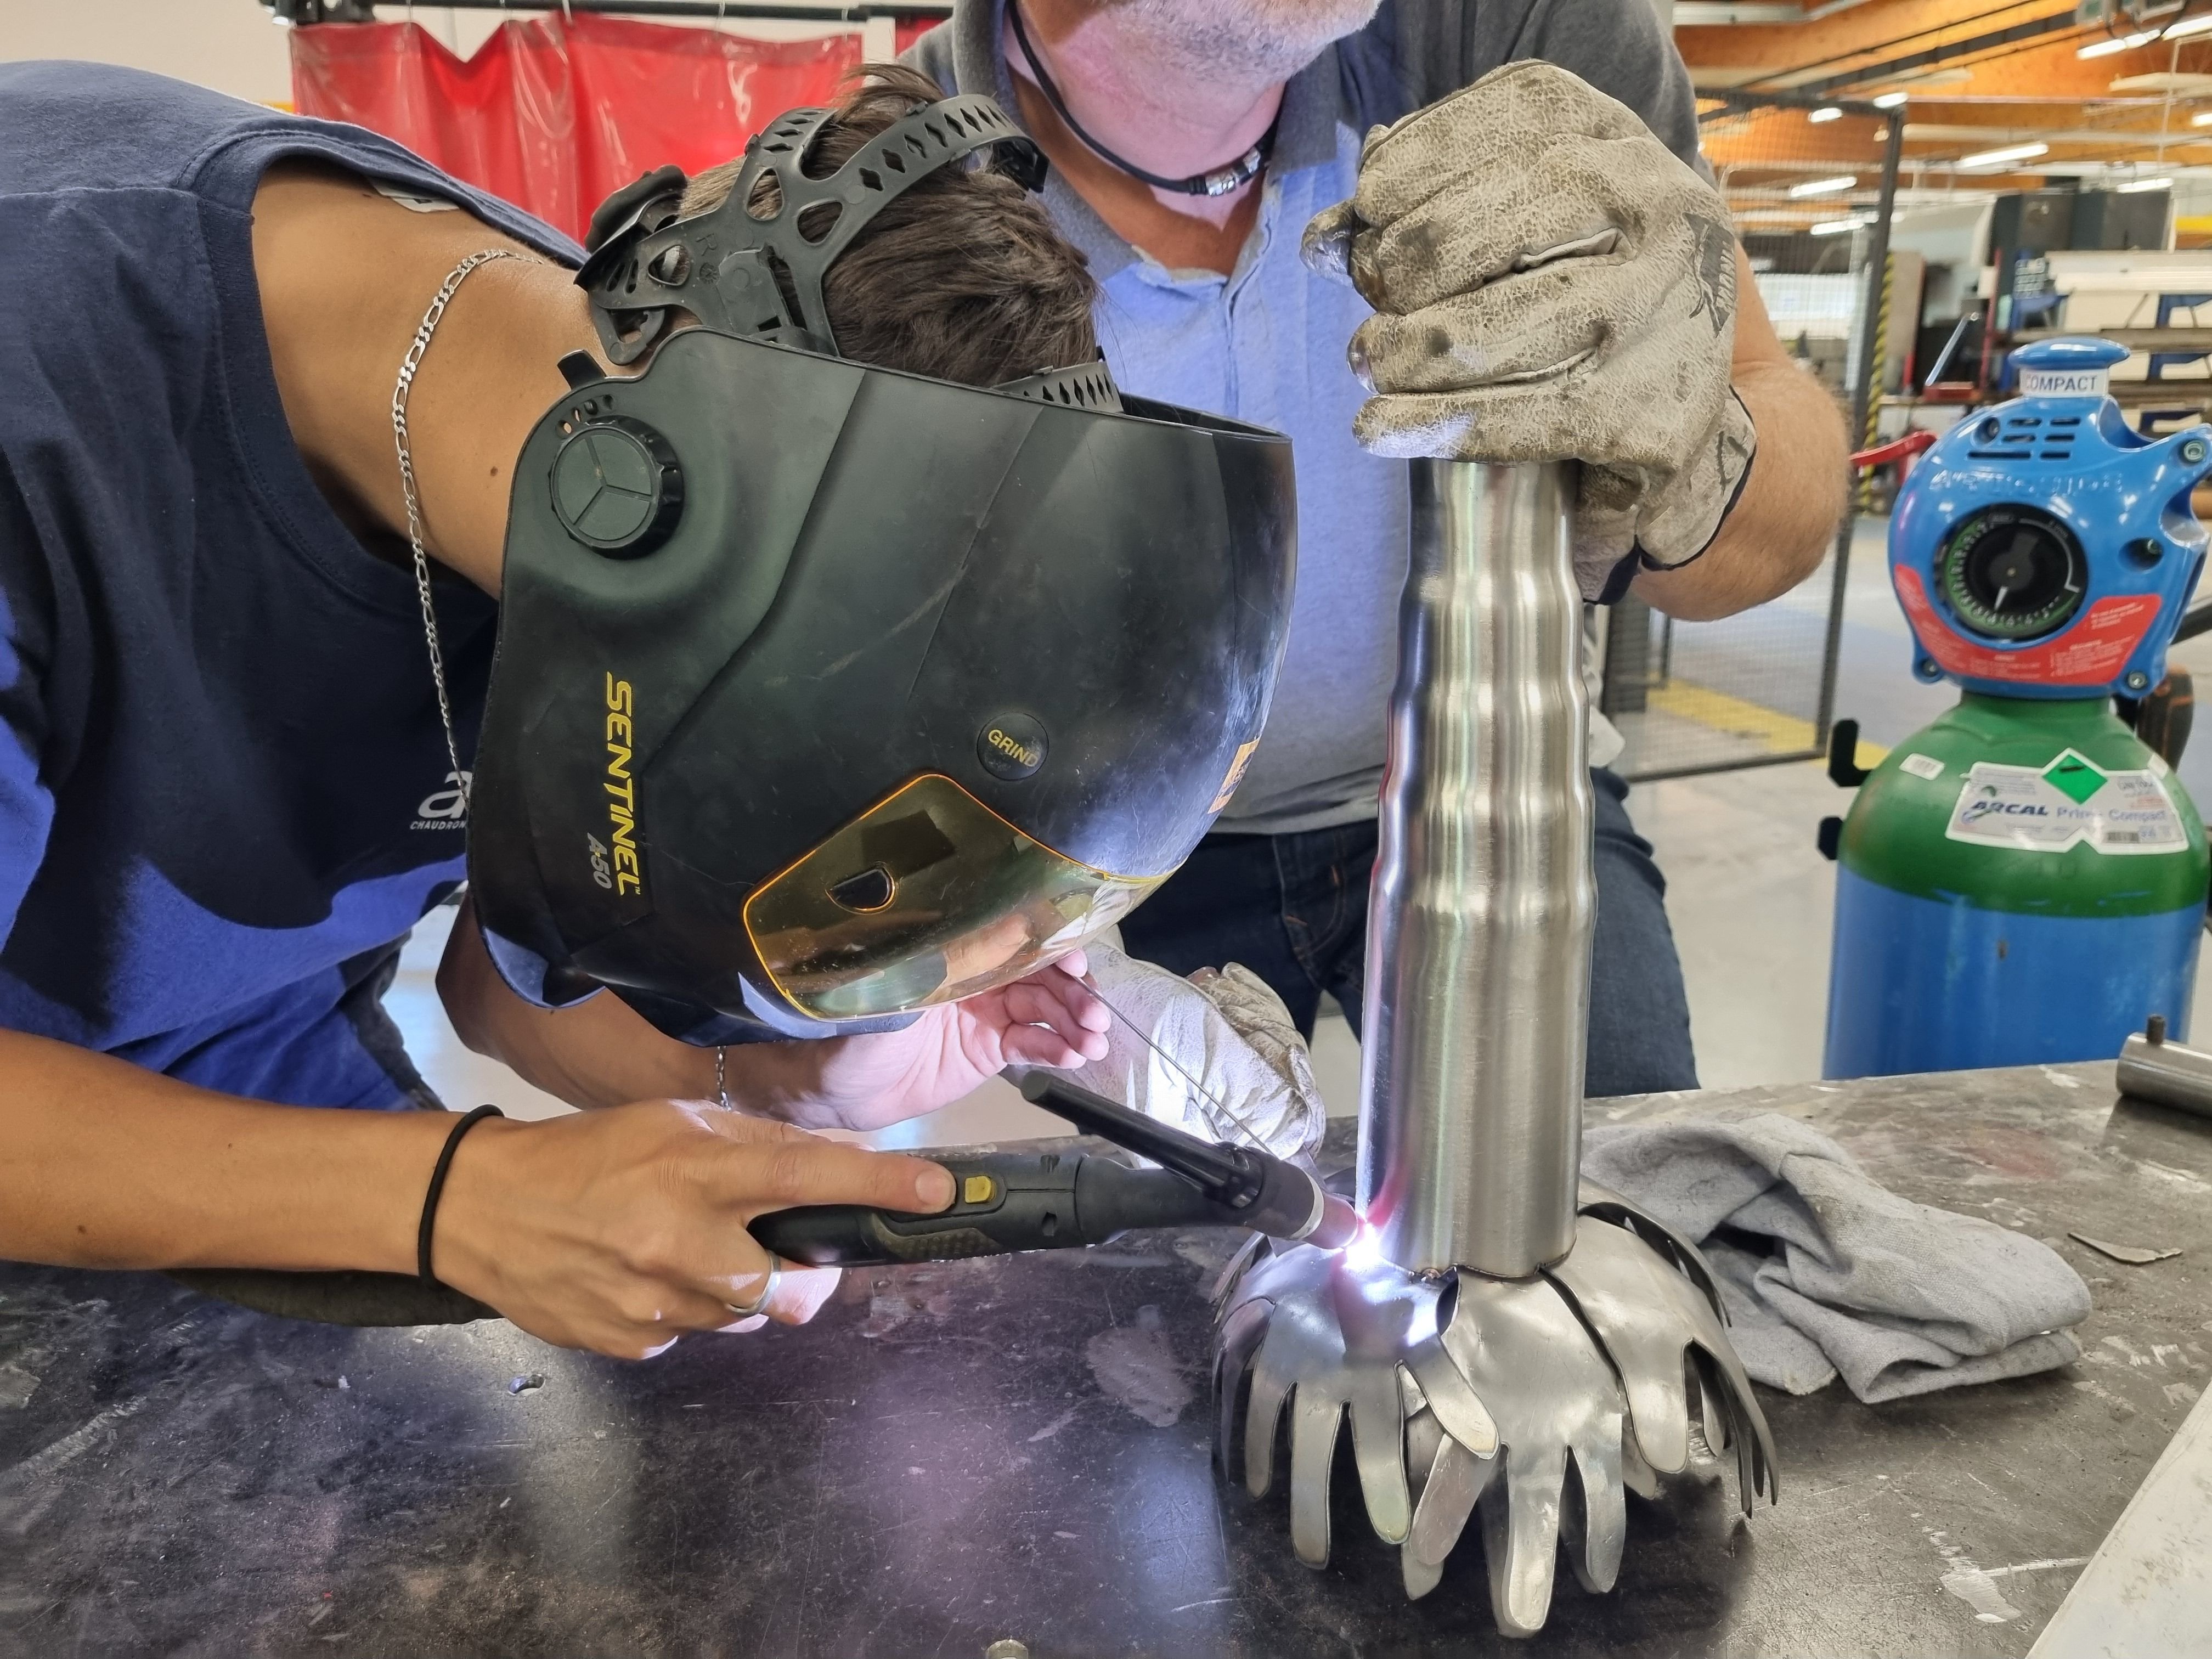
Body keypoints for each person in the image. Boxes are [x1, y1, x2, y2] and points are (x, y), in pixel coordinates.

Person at [0, 61, 1299, 1362]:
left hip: (249, 1059)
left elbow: (499, 983)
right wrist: (462, 1201)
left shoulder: (620, 414)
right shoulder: (50, 391)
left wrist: (811, 1075)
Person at [909, 1, 1850, 1096]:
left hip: (1495, 788)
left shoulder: (1515, 30)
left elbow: (1771, 501)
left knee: (1612, 1211)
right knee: (1141, 1248)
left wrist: (1698, 462)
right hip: (1084, 854)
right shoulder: (894, 179)